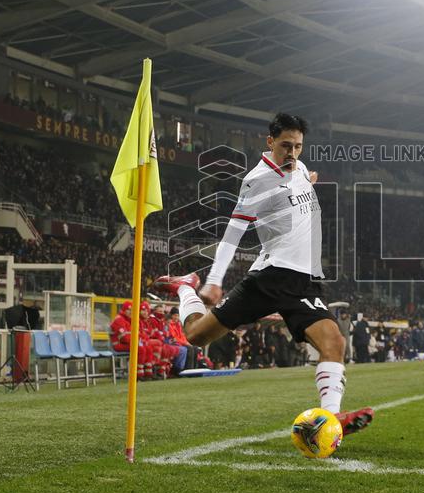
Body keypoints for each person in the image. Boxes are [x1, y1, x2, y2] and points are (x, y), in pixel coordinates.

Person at [154, 112, 373, 437]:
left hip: (303, 281)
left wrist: (306, 182)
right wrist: (214, 280)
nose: (293, 153)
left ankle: (331, 421)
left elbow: (294, 191)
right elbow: (234, 230)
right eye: (286, 145)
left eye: (298, 146)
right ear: (269, 142)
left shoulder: (298, 168)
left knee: (334, 341)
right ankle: (187, 288)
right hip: (269, 279)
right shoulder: (257, 181)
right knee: (197, 336)